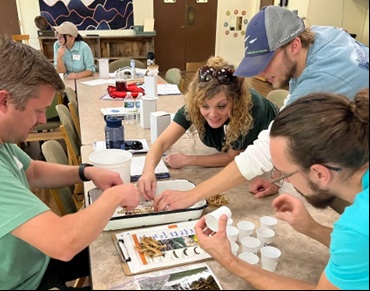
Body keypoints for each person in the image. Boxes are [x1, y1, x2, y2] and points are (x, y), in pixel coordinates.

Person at [0, 36, 140, 289]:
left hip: (34, 260)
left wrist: (86, 172)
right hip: (18, 282)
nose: (43, 119)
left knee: (122, 245)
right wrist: (117, 196)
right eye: (37, 110)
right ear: (3, 101)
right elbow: (62, 243)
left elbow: (32, 170)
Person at [152, 5, 369, 212]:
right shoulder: (317, 39)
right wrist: (277, 177)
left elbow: (270, 147)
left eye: (266, 61)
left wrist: (192, 195)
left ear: (293, 45)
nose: (261, 72)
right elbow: (290, 108)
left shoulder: (323, 80)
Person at [195, 89, 369, 290]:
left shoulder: (359, 224)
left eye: (284, 174)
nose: (280, 179)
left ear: (320, 174)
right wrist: (311, 228)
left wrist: (229, 260)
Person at [137, 56, 278, 199]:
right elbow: (161, 142)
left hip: (272, 157)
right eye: (205, 106)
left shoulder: (251, 107)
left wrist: (188, 160)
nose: (213, 114)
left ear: (235, 101)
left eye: (221, 106)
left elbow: (232, 157)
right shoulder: (195, 103)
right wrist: (148, 171)